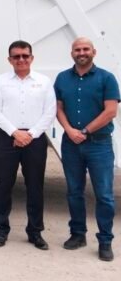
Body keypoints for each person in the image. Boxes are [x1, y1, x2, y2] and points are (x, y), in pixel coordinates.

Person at [54, 37, 118, 262]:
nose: (81, 53)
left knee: (104, 195)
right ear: (72, 53)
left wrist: (85, 131)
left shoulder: (107, 78)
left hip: (99, 144)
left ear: (94, 52)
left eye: (85, 49)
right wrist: (69, 130)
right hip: (71, 144)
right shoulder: (62, 78)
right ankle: (78, 234)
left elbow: (111, 111)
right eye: (77, 49)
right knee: (74, 192)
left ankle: (105, 241)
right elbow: (58, 108)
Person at [0, 41, 56, 250]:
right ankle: (1, 231)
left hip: (35, 139)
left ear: (31, 58)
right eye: (16, 56)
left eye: (25, 56)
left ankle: (35, 232)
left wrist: (31, 134)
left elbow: (50, 111)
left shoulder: (44, 82)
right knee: (3, 186)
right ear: (9, 60)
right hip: (7, 138)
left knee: (35, 187)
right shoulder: (0, 82)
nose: (21, 59)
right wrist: (15, 132)